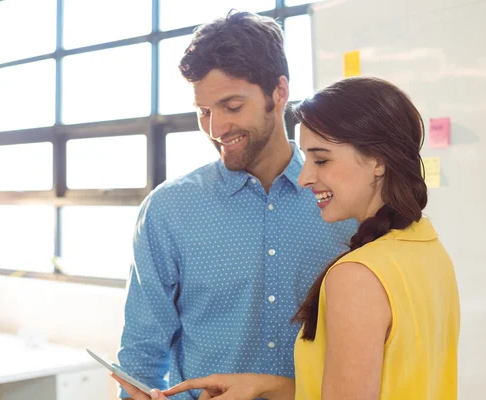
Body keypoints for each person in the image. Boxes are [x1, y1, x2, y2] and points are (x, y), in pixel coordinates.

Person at [132, 77, 461, 399]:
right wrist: (266, 387)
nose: (304, 177)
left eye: (321, 160)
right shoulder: (429, 249)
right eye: (203, 111)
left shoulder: (356, 276)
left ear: (377, 161)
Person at [115, 11, 357, 400]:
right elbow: (140, 358)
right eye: (204, 112)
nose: (215, 128)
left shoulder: (343, 204)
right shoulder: (169, 210)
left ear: (278, 92)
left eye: (231, 106)